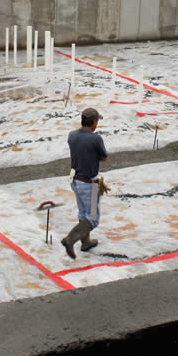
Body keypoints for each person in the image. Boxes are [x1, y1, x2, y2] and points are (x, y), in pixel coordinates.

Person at [61, 107, 109, 259]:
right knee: (93, 218)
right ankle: (71, 239)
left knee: (83, 212)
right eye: (97, 121)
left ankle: (86, 242)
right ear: (93, 122)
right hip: (90, 183)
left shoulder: (72, 135)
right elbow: (104, 157)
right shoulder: (95, 138)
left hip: (75, 180)